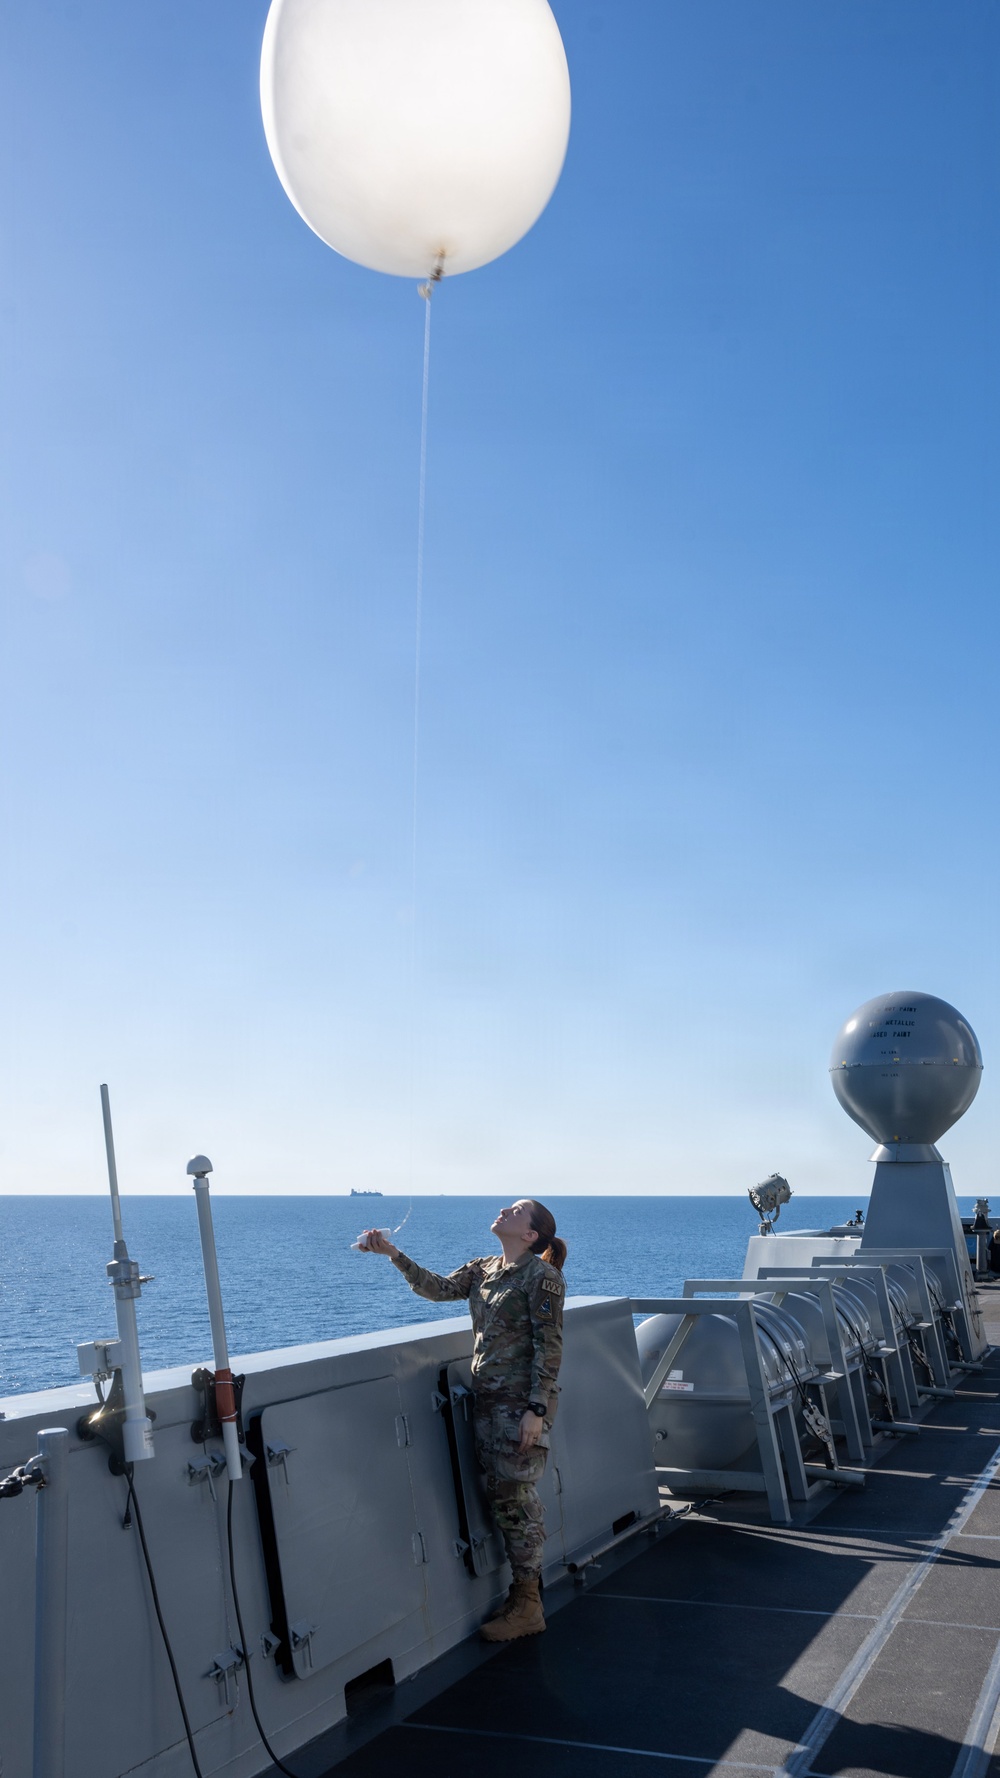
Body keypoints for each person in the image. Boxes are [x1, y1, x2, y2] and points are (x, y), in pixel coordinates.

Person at [360, 1200, 566, 1642]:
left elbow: (549, 1345)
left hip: (519, 1407)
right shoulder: (484, 1268)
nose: (505, 1210)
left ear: (530, 1235)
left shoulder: (542, 1277)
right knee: (503, 1499)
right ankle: (522, 1596)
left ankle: (529, 1606)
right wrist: (394, 1255)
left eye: (516, 1211)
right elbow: (439, 1289)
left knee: (517, 1501)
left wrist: (536, 1409)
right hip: (489, 1403)